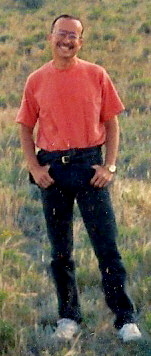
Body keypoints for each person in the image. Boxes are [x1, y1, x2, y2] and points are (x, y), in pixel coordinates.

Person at [16, 14, 141, 342]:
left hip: (89, 169)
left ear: (80, 41)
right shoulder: (36, 80)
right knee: (61, 251)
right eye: (62, 34)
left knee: (107, 246)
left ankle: (125, 318)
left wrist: (109, 167)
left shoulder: (96, 74)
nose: (67, 40)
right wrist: (35, 168)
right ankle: (68, 317)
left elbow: (112, 124)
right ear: (50, 37)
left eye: (73, 36)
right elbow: (26, 127)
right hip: (52, 172)